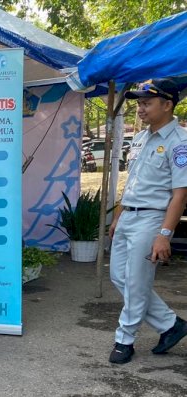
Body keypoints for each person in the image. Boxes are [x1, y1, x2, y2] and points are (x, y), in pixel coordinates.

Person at [107, 78, 187, 364]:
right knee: (120, 277)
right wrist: (118, 215)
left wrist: (164, 234)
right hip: (129, 215)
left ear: (167, 105)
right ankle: (170, 324)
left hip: (152, 219)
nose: (140, 109)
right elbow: (132, 183)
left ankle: (124, 340)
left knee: (137, 283)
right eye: (139, 103)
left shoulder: (180, 143)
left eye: (147, 103)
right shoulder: (140, 138)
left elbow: (180, 194)